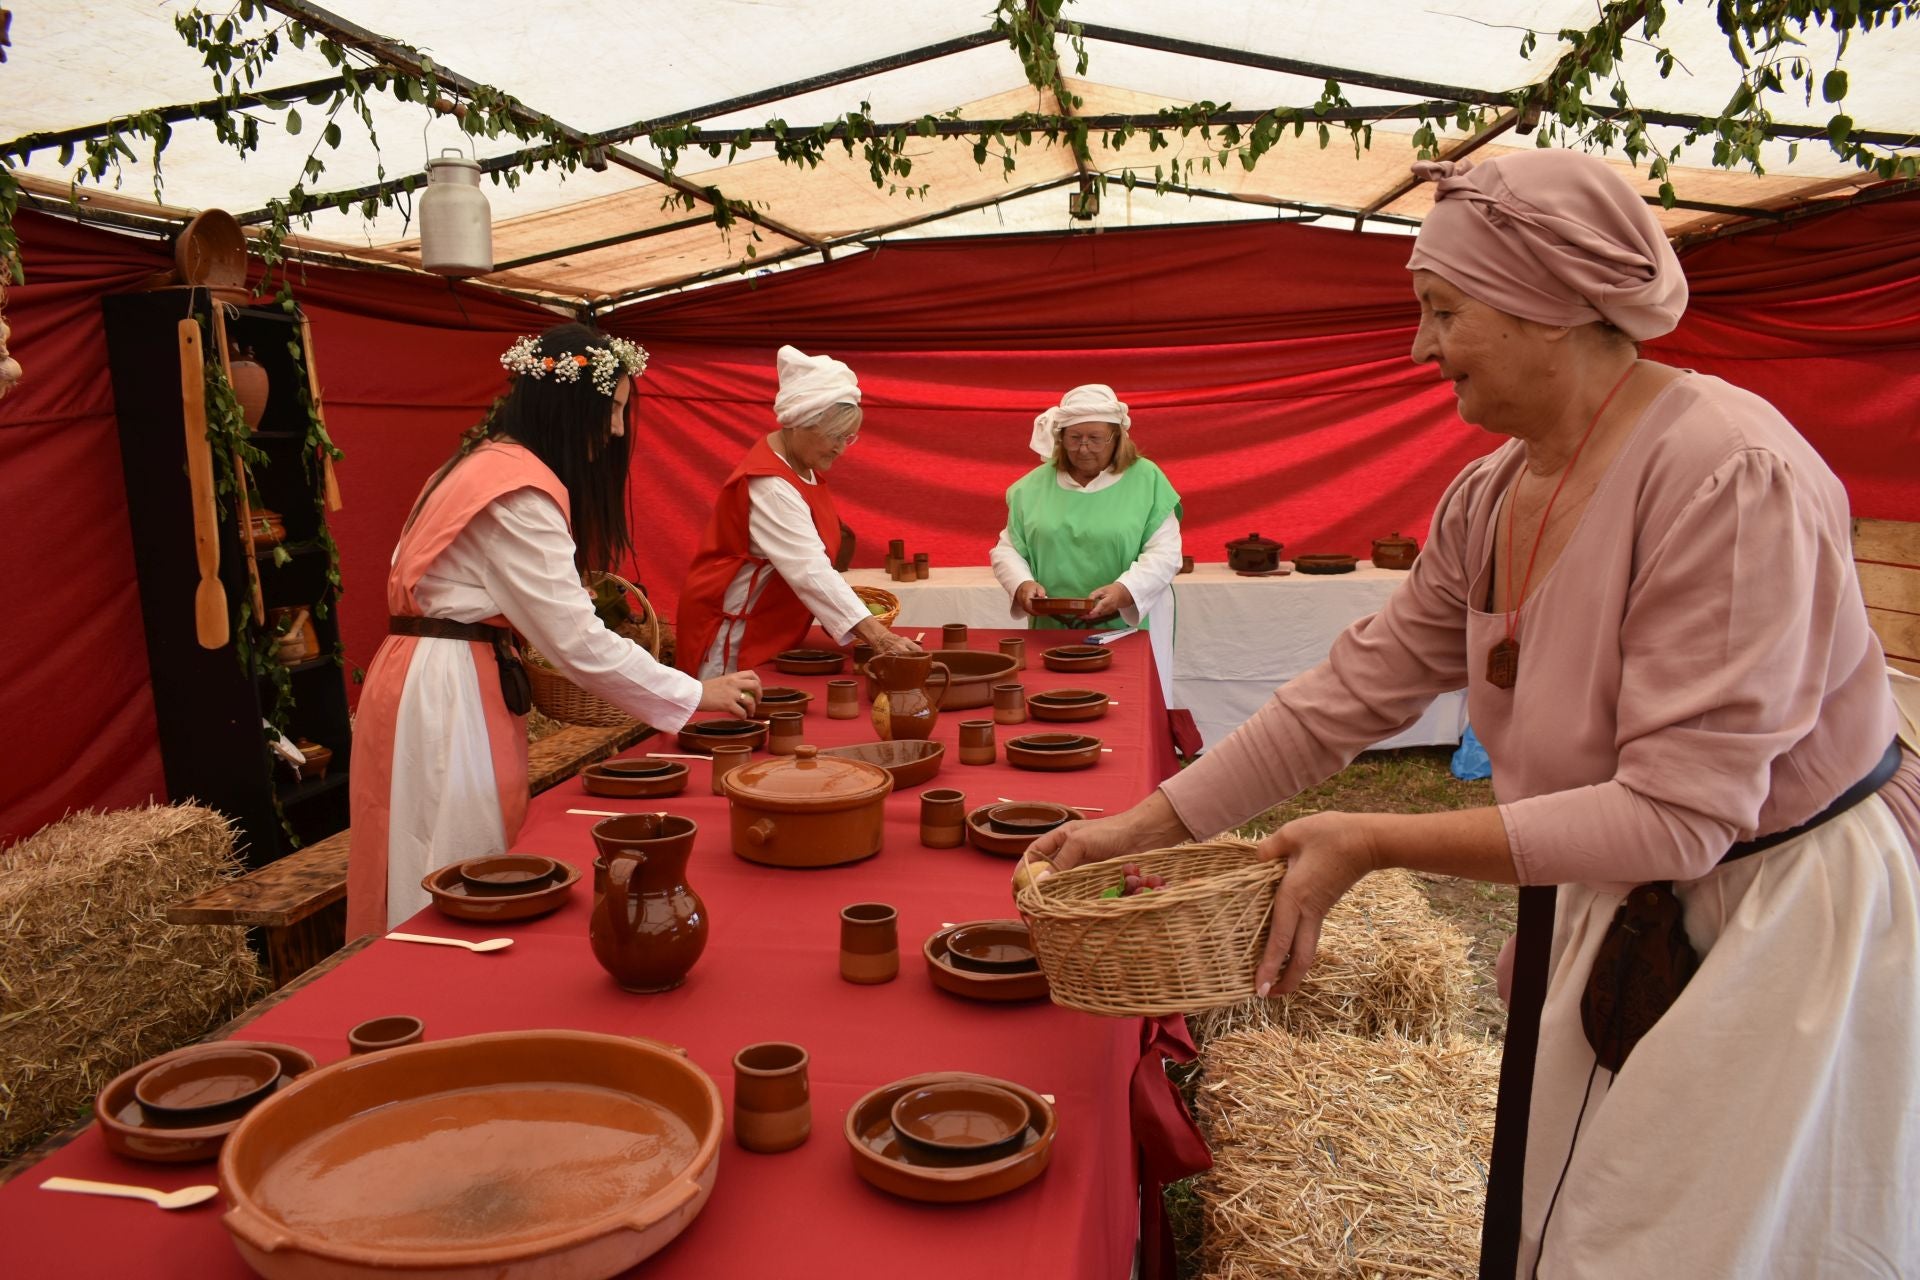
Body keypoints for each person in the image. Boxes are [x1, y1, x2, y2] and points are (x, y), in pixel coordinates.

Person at [1030, 150, 1919, 1278]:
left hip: (1774, 919)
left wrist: (1372, 838)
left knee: (1687, 1240)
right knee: (1577, 1214)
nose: (1419, 345)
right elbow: (1350, 693)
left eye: (1442, 311)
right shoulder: (1496, 491)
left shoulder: (1727, 475)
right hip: (1626, 895)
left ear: (1548, 307)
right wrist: (1141, 827)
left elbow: (1685, 816)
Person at [348, 324, 759, 936]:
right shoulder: (517, 494)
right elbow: (577, 640)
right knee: (451, 851)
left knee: (420, 834)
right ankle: (437, 975)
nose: (618, 429)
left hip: (427, 672)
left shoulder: (476, 465)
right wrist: (695, 694)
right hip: (446, 691)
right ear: (573, 403)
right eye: (613, 409)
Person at [677, 344, 921, 677]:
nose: (840, 448)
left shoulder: (801, 468)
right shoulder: (771, 485)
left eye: (848, 437)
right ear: (797, 424)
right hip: (732, 640)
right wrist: (878, 635)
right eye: (834, 436)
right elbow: (809, 569)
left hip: (770, 629)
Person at [990, 383, 1182, 633]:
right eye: (1074, 438)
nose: (1083, 448)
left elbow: (1165, 554)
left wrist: (1124, 590)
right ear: (1061, 438)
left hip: (1129, 626)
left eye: (1095, 439)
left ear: (1116, 438)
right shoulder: (1030, 488)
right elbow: (1009, 550)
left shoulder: (1148, 481)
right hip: (1052, 627)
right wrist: (1021, 584)